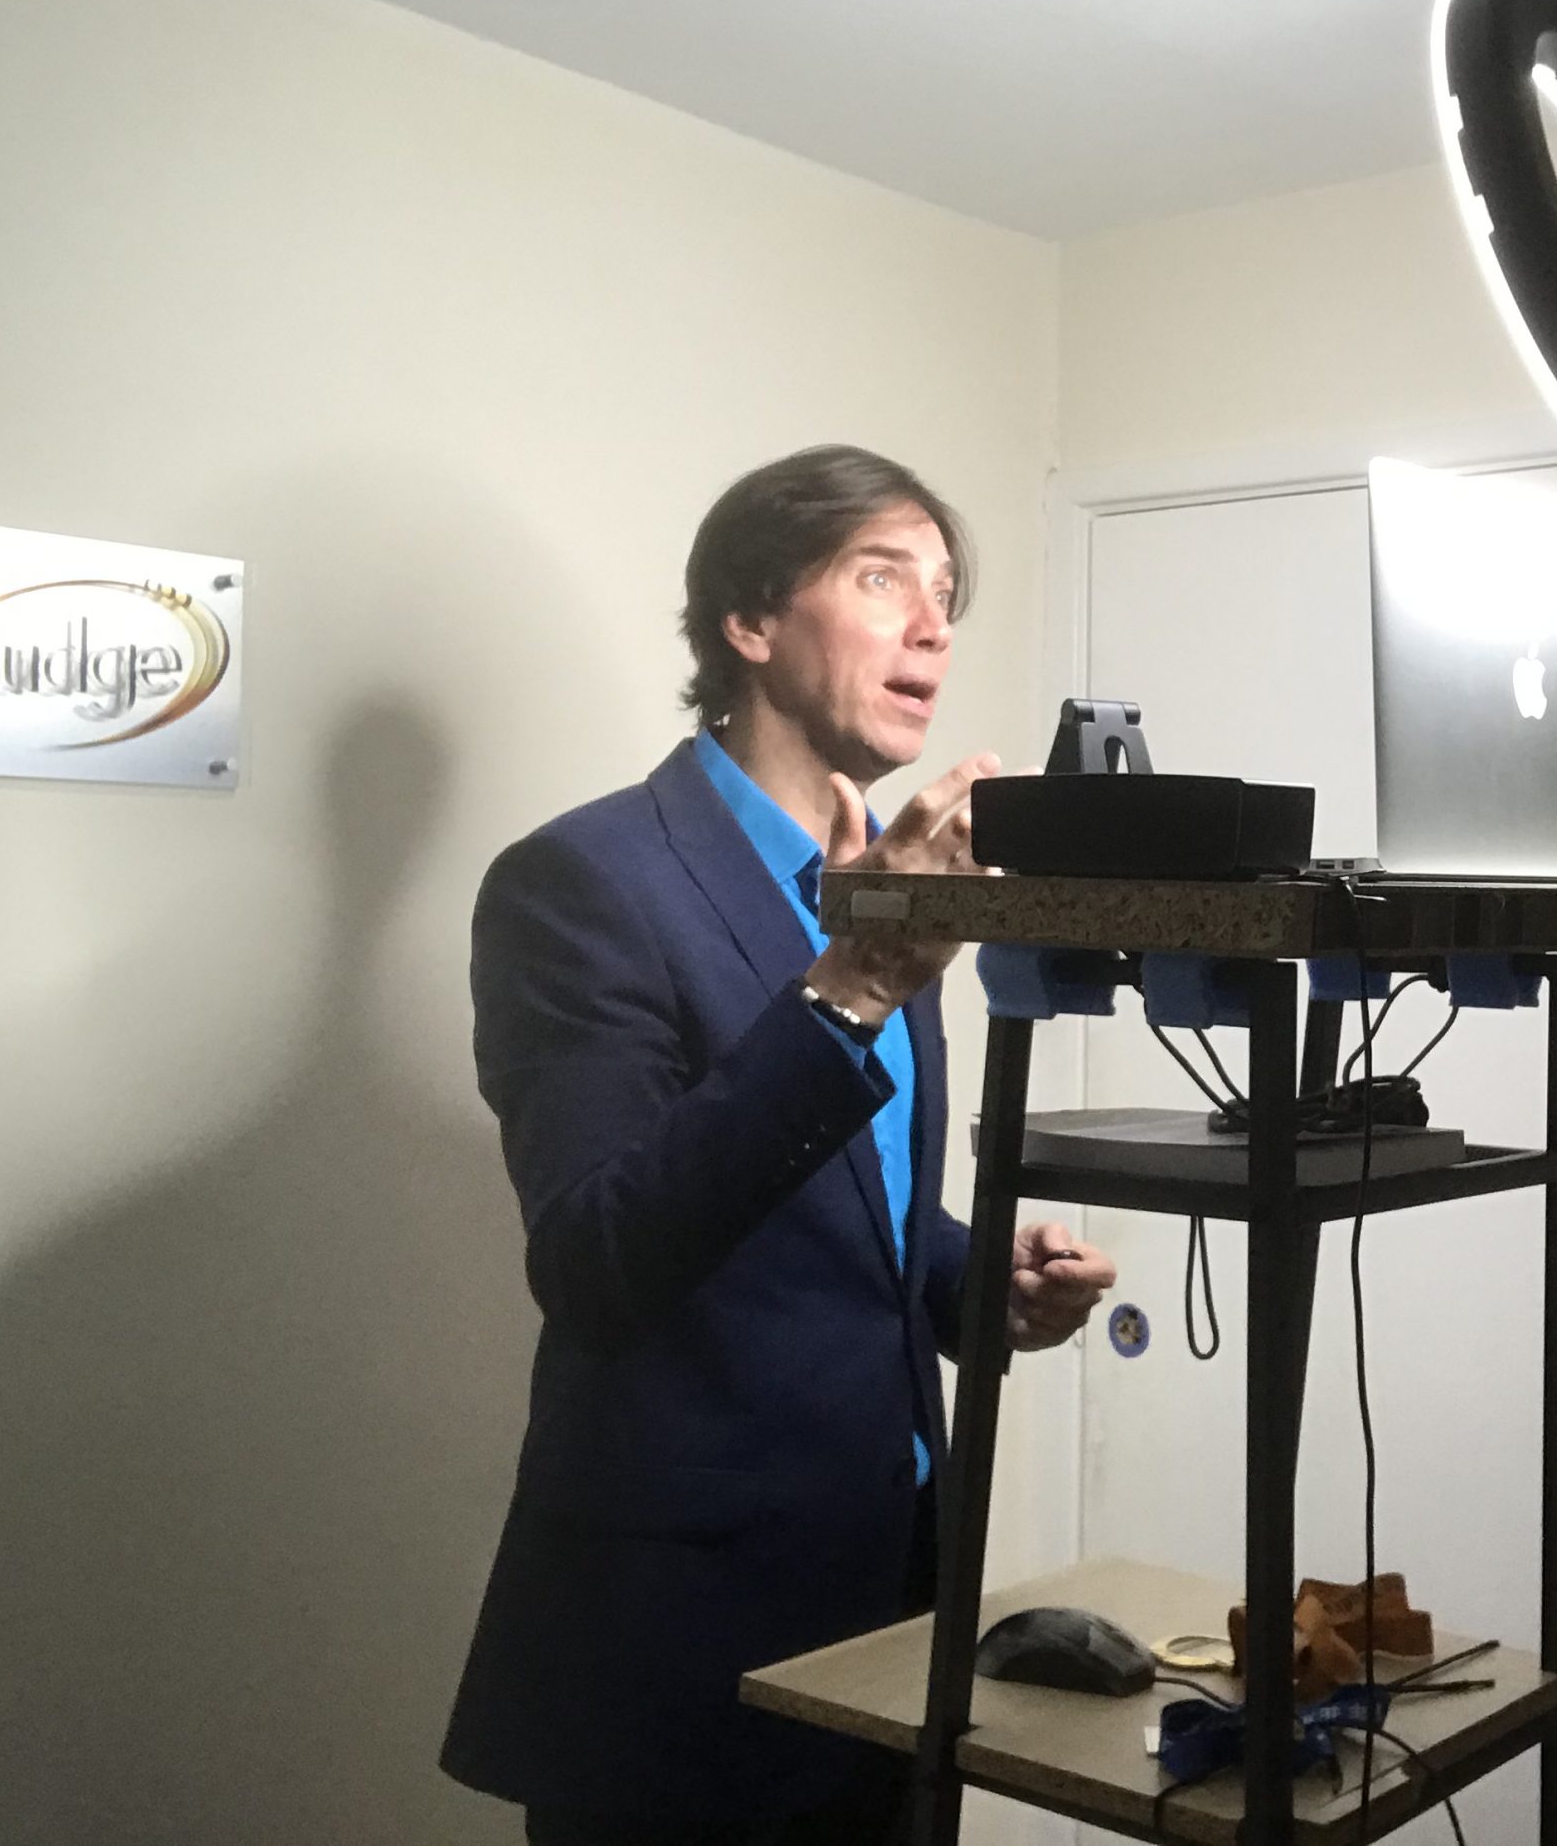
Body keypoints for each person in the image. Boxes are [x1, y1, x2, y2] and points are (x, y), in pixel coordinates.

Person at [441, 445, 1116, 1844]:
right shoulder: (583, 884)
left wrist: (976, 1278)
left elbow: (850, 1212)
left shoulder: (884, 884)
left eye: (945, 595)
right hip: (678, 1645)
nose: (933, 626)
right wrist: (860, 978)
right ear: (749, 619)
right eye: (883, 579)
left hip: (897, 1602)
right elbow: (598, 1256)